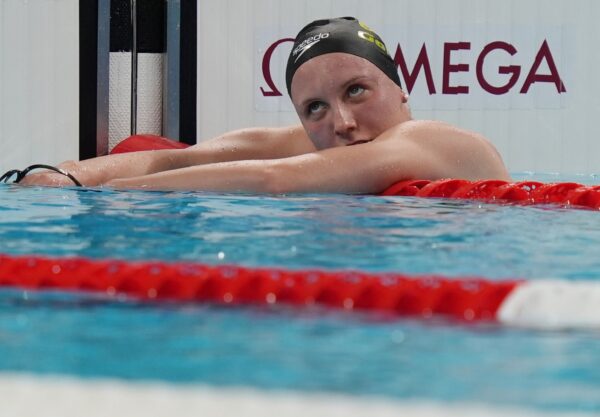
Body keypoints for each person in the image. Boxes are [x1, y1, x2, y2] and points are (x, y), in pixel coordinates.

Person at [21, 17, 510, 193]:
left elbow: (273, 179)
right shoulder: (317, 147)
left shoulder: (429, 140)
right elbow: (181, 157)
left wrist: (108, 196)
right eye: (314, 108)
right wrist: (68, 174)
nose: (341, 122)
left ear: (401, 90)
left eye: (357, 90)